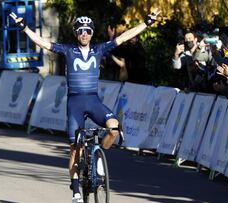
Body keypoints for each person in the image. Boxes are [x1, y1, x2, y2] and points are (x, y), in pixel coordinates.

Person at [10, 9, 160, 203]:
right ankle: (75, 191)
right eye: (80, 31)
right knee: (75, 149)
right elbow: (43, 43)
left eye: (88, 31)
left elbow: (124, 37)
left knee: (114, 129)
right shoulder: (68, 50)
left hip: (93, 101)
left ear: (91, 33)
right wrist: (24, 27)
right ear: (76, 33)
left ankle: (99, 155)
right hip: (75, 104)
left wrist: (147, 22)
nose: (84, 34)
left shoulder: (98, 49)